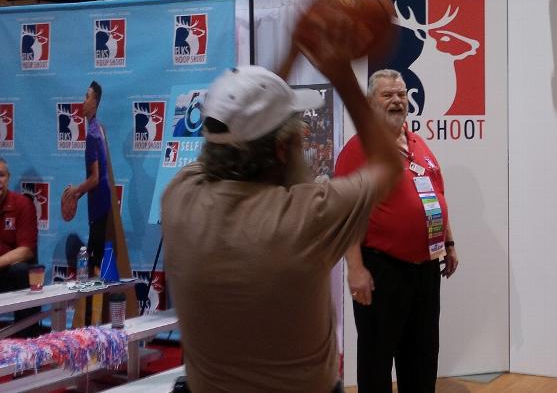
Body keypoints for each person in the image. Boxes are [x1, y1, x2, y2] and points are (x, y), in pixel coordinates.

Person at [161, 57, 401, 390]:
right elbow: (390, 165)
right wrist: (342, 75)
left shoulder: (179, 199)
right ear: (281, 150)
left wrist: (262, 90)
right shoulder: (307, 216)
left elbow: (223, 141)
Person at [336, 69, 459, 393]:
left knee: (421, 357)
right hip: (381, 270)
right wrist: (356, 269)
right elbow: (345, 214)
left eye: (401, 94)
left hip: (426, 271)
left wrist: (448, 242)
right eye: (387, 95)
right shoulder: (358, 149)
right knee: (377, 361)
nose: (396, 101)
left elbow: (436, 196)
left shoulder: (419, 144)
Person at [63, 81, 112, 276]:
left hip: (99, 207)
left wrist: (76, 190)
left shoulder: (92, 134)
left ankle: (95, 306)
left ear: (95, 102)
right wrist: (79, 194)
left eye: (86, 96)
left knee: (94, 268)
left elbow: (95, 178)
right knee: (95, 264)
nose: (83, 101)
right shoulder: (98, 128)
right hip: (101, 204)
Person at [0, 157, 42, 336]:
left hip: (10, 272)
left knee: (22, 271)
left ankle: (28, 341)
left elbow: (26, 250)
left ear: (8, 178)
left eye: (1, 175)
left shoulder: (22, 204)